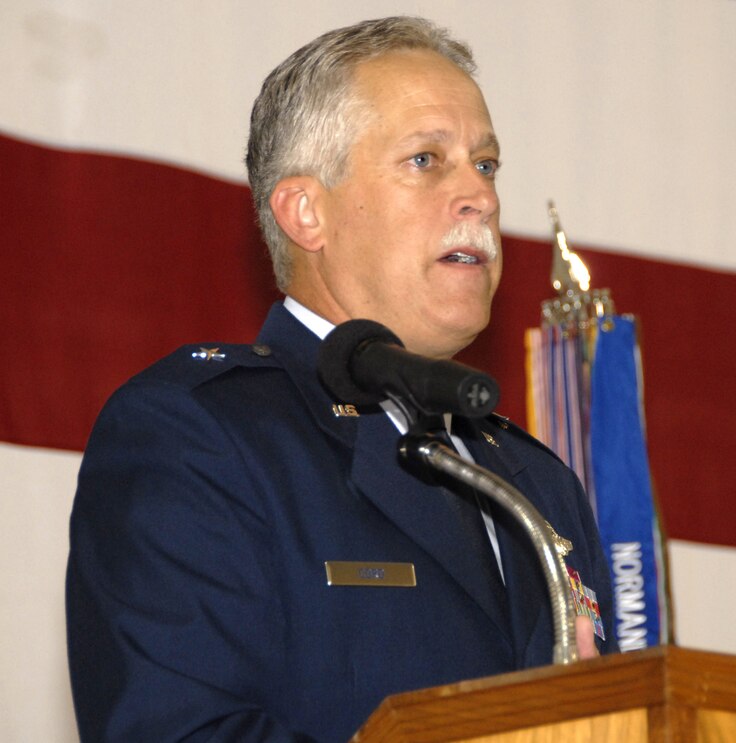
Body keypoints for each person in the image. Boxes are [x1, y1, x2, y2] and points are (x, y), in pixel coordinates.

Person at [66, 17, 616, 742]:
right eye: (426, 160)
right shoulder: (199, 435)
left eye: (485, 165)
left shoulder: (535, 485)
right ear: (306, 212)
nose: (479, 197)